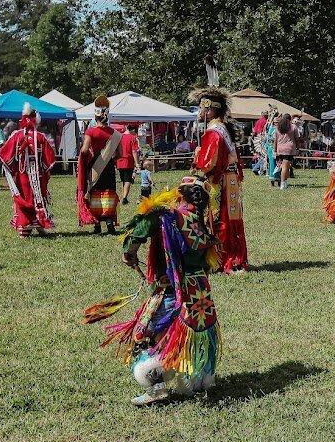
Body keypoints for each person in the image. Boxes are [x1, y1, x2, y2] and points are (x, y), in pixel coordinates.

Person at [85, 176, 221, 405]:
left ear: (180, 194)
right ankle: (197, 382)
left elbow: (138, 231)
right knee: (193, 338)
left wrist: (129, 253)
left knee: (145, 335)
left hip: (172, 291)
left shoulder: (166, 216)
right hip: (200, 294)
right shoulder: (202, 224)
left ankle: (156, 387)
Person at [191, 87, 250, 273]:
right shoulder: (222, 128)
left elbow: (208, 164)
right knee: (229, 219)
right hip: (230, 179)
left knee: (217, 218)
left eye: (201, 109)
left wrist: (197, 156)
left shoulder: (213, 132)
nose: (199, 112)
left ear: (209, 110)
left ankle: (220, 259)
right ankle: (231, 257)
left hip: (220, 181)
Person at [0, 105, 56, 237]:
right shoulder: (40, 137)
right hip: (37, 176)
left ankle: (25, 228)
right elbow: (49, 158)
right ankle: (38, 224)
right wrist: (44, 171)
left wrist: (12, 170)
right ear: (35, 120)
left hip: (22, 175)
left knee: (25, 197)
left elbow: (4, 154)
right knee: (37, 197)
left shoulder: (16, 135)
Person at [77, 95, 122, 234]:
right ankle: (109, 224)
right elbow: (119, 155)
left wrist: (87, 156)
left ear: (95, 116)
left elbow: (84, 150)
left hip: (94, 167)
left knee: (95, 193)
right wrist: (108, 157)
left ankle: (97, 225)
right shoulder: (115, 133)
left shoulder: (90, 132)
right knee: (108, 193)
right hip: (108, 167)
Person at [274, 113, 302, 190]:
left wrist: (275, 150)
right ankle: (282, 184)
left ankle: (285, 182)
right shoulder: (293, 127)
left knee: (286, 166)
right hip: (289, 149)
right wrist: (298, 148)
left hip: (280, 149)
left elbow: (275, 140)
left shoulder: (278, 127)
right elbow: (297, 139)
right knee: (285, 167)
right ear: (290, 119)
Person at [117, 123, 141, 205]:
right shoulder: (132, 138)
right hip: (128, 161)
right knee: (128, 180)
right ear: (133, 130)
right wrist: (137, 163)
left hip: (119, 161)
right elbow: (134, 151)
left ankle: (123, 196)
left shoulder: (119, 137)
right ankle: (124, 198)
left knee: (123, 179)